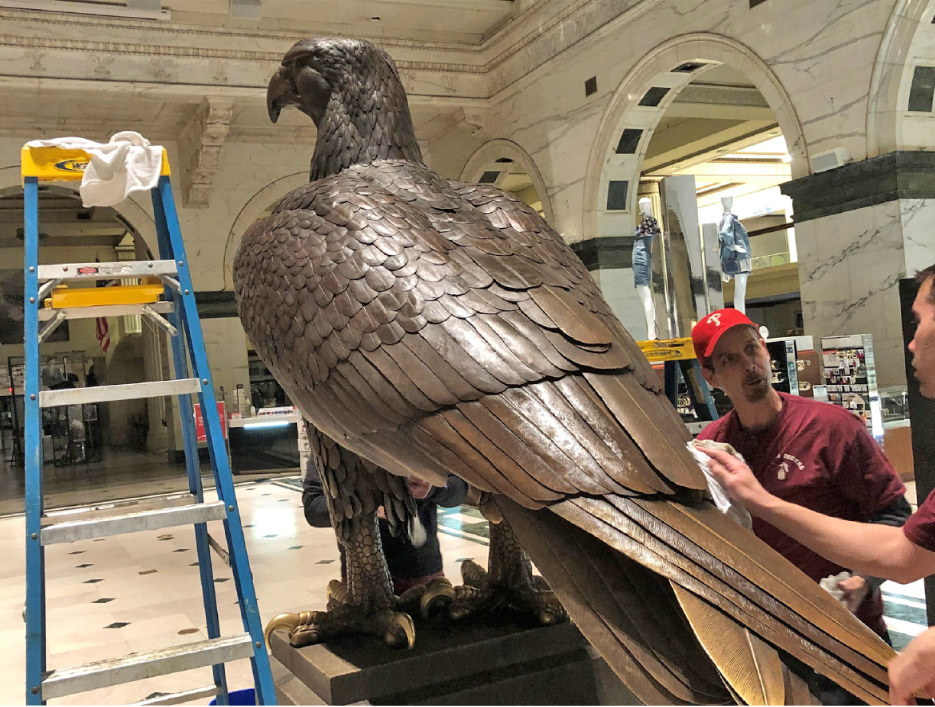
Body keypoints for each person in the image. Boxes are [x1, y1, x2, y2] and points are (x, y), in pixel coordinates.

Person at [701, 264, 935, 704]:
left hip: (844, 638)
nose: (748, 365)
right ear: (711, 377)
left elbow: (897, 525)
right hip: (765, 641)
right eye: (729, 359)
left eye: (752, 349)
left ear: (767, 352)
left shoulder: (831, 428)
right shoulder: (711, 449)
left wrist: (860, 579)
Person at [303, 467, 469, 594]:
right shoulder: (333, 432)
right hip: (361, 578)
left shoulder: (420, 429)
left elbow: (459, 488)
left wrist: (434, 487)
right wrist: (364, 509)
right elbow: (313, 507)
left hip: (422, 572)